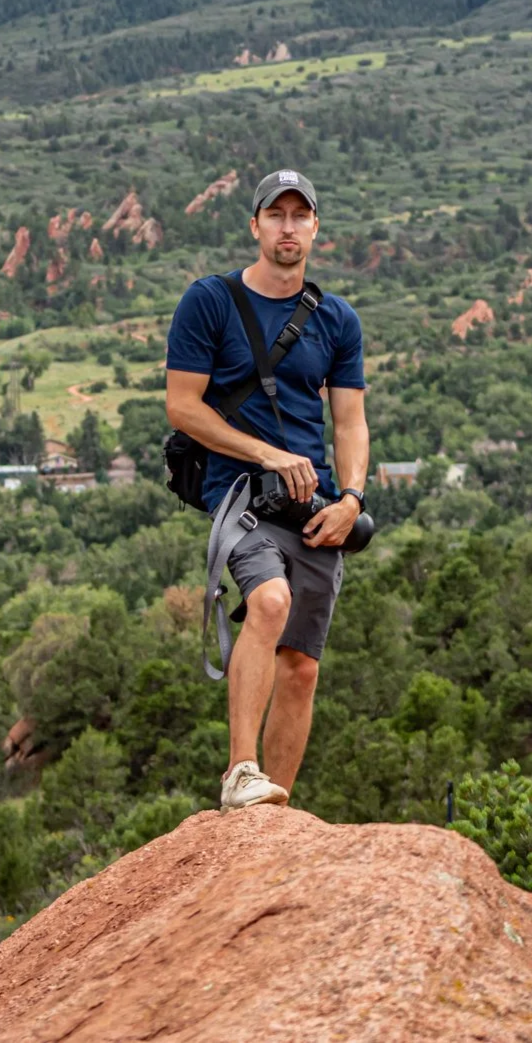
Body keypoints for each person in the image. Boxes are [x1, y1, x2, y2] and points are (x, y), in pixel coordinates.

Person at [166, 169, 369, 810]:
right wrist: (268, 454)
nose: (288, 227)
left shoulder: (336, 319)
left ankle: (275, 810)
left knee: (302, 666)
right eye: (275, 215)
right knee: (270, 603)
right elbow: (183, 408)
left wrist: (353, 501)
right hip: (240, 495)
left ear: (315, 227)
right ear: (255, 226)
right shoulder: (212, 301)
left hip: (316, 506)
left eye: (299, 215)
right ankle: (240, 772)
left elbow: (350, 420)